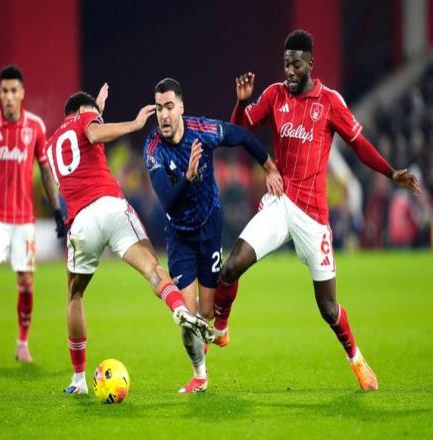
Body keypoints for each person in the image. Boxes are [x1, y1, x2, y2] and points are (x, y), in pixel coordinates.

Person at [213, 30, 421, 391]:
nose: (290, 70)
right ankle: (221, 328)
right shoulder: (274, 95)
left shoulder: (330, 102)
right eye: (286, 64)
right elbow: (238, 131)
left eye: (296, 64)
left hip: (313, 217)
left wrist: (391, 172)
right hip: (280, 202)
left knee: (328, 308)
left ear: (310, 63)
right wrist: (241, 103)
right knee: (231, 267)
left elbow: (359, 145)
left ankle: (356, 358)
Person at [45, 85, 212, 395]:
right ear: (82, 113)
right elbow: (93, 132)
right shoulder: (85, 121)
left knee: (74, 295)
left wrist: (97, 110)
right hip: (111, 206)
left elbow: (80, 143)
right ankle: (180, 309)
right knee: (153, 270)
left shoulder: (51, 145)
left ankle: (78, 381)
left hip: (81, 223)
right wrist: (134, 125)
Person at [143, 78, 283, 393]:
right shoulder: (153, 148)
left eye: (169, 107)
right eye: (159, 108)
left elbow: (241, 136)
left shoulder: (202, 130)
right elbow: (167, 201)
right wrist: (188, 176)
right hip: (179, 236)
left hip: (209, 227)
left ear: (181, 107)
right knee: (188, 316)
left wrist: (269, 167)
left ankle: (217, 324)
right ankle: (200, 376)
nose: (163, 115)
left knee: (206, 311)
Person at [0, 65, 65, 365]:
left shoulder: (35, 127)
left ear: (22, 93)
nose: (8, 96)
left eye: (13, 90)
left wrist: (57, 210)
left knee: (26, 282)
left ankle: (22, 343)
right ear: (0, 93)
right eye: (4, 91)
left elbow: (46, 170)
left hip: (24, 220)